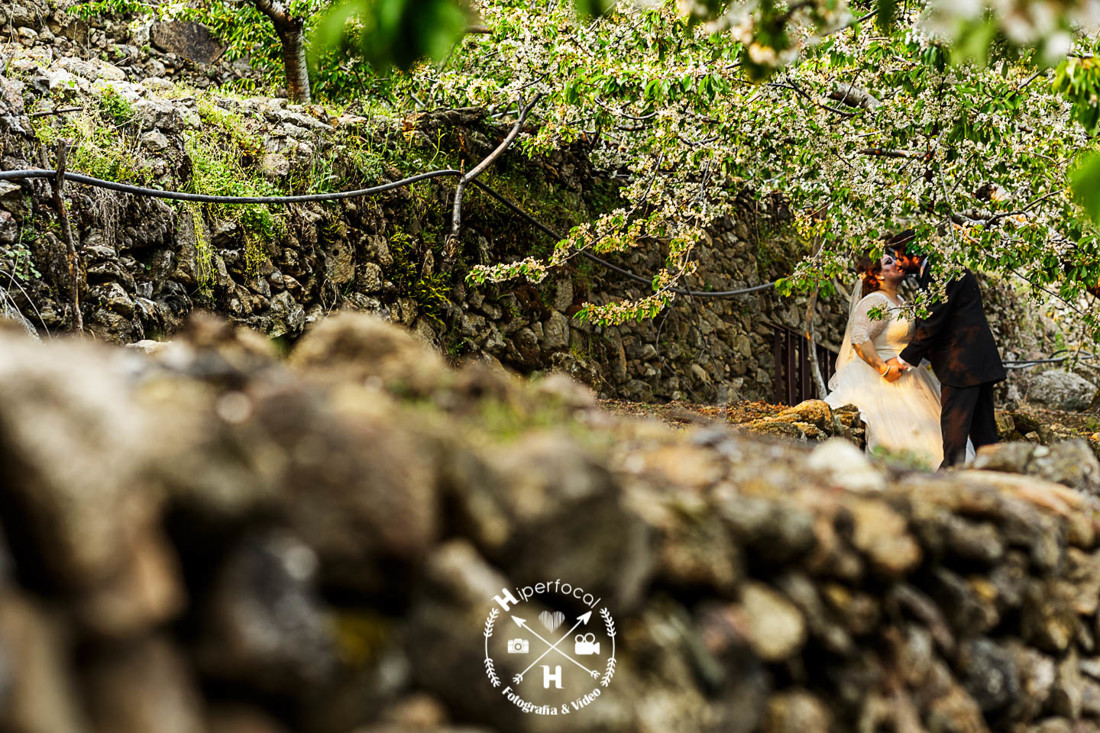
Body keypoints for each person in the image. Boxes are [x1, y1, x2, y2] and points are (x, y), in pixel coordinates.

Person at [885, 241, 1006, 467]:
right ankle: (999, 478)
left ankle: (949, 481)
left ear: (915, 255)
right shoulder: (944, 269)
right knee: (985, 435)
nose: (898, 263)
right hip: (976, 363)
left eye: (900, 257)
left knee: (955, 435)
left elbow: (933, 321)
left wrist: (903, 360)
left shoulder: (941, 274)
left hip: (961, 367)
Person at [824, 251, 947, 468]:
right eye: (888, 262)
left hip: (911, 376)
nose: (897, 263)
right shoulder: (875, 301)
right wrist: (883, 369)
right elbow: (860, 338)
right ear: (877, 275)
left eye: (896, 259)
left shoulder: (900, 300)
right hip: (883, 377)